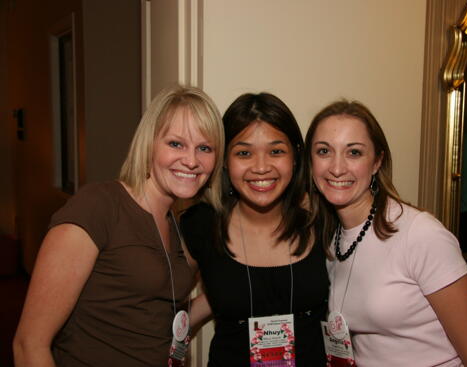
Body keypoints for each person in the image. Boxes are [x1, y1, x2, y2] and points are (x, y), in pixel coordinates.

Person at [13, 84, 225, 367]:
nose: (191, 160)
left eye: (204, 148)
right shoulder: (99, 206)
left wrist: (230, 290)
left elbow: (158, 320)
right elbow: (29, 345)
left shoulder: (177, 225)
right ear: (149, 143)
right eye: (176, 144)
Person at [305, 100, 467, 366]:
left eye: (354, 153)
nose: (337, 168)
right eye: (324, 151)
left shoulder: (420, 234)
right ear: (310, 162)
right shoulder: (331, 238)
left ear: (376, 162)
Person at [180, 93, 329, 366]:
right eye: (244, 153)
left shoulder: (322, 218)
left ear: (295, 156)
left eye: (276, 151)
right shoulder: (200, 225)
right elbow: (167, 307)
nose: (261, 167)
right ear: (224, 160)